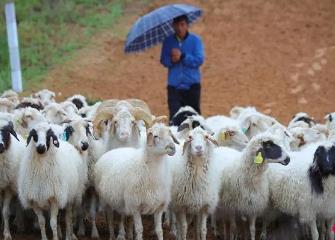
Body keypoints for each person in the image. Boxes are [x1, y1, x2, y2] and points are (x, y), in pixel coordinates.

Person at [160, 14, 205, 122]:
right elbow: (164, 60)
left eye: (182, 24)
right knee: (174, 118)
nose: (180, 28)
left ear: (187, 25)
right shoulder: (168, 41)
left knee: (195, 118)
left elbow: (199, 60)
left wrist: (183, 56)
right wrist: (172, 60)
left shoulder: (195, 40)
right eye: (177, 25)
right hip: (174, 87)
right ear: (173, 26)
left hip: (192, 86)